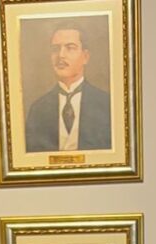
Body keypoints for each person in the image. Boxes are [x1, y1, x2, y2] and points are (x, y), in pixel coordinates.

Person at [25, 25, 111, 153]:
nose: (61, 55)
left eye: (70, 48)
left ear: (85, 57)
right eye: (55, 49)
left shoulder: (107, 105)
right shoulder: (38, 109)